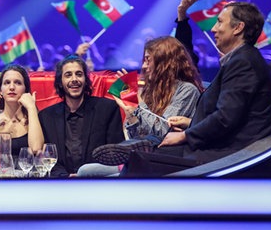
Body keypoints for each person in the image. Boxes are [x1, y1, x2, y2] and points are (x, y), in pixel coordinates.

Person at [124, 1, 271, 175]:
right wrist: (191, 123)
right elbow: (232, 115)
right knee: (139, 152)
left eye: (219, 21)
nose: (213, 29)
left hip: (229, 155)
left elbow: (225, 119)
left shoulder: (243, 63)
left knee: (140, 158)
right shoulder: (242, 59)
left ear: (238, 28)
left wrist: (185, 135)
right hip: (219, 146)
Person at [87, 36, 203, 175]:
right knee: (86, 170)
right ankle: (128, 156)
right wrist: (130, 114)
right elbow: (136, 137)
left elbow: (163, 131)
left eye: (148, 60)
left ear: (164, 62)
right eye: (144, 60)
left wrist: (138, 101)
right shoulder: (149, 91)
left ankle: (128, 159)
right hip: (145, 154)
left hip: (168, 156)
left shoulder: (186, 90)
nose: (143, 66)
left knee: (89, 172)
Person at [38, 55, 124, 178]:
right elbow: (48, 159)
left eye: (79, 74)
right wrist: (66, 177)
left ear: (85, 80)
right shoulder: (47, 116)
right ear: (60, 83)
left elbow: (115, 154)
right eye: (68, 75)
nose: (74, 79)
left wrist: (85, 175)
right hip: (61, 184)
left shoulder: (107, 109)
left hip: (98, 182)